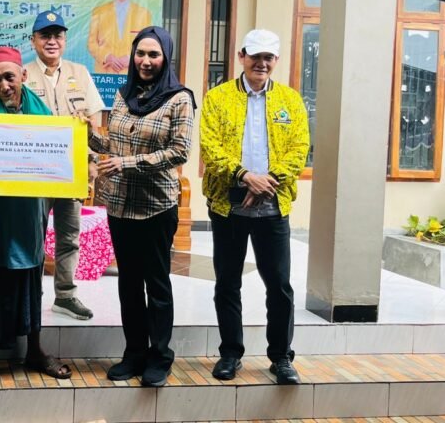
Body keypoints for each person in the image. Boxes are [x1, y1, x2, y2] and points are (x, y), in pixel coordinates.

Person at [0, 47, 72, 387]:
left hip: (27, 215)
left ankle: (34, 349)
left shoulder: (45, 117)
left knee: (30, 282)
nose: (4, 86)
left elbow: (61, 155)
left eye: (10, 77)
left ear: (23, 75)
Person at [87, 26, 195, 387]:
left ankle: (160, 356)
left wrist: (127, 164)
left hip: (156, 207)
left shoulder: (179, 99)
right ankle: (134, 352)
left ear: (166, 57)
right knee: (129, 284)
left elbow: (179, 152)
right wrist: (87, 134)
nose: (145, 61)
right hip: (119, 206)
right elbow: (113, 145)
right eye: (140, 54)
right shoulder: (124, 94)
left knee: (157, 283)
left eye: (153, 54)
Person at [200, 29, 309, 385]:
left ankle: (281, 357)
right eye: (255, 56)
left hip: (273, 206)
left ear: (276, 61)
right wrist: (245, 176)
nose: (261, 63)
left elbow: (299, 149)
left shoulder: (290, 100)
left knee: (279, 285)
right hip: (228, 205)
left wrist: (267, 182)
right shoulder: (217, 98)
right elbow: (210, 148)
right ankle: (230, 354)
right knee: (227, 282)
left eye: (268, 58)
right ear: (241, 56)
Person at [23, 9, 105, 320]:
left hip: (72, 171)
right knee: (33, 236)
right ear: (33, 40)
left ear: (65, 40)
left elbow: (94, 122)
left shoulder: (79, 73)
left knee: (69, 236)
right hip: (35, 172)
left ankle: (66, 295)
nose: (52, 41)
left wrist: (93, 160)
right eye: (45, 35)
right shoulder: (23, 75)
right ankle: (31, 294)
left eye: (57, 35)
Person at [88, 0, 152, 74]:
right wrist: (107, 56)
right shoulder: (99, 12)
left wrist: (131, 57)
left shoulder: (144, 14)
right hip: (105, 74)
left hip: (133, 72)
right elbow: (91, 43)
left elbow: (147, 43)